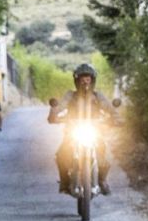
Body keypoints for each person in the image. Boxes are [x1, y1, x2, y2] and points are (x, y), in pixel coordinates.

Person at [47, 63, 117, 196]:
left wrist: (116, 118)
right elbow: (60, 106)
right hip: (73, 131)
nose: (85, 81)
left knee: (104, 155)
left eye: (88, 78)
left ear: (93, 80)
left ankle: (102, 180)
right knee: (61, 155)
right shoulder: (70, 95)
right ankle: (65, 181)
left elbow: (109, 108)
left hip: (94, 131)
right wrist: (53, 114)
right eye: (82, 78)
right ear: (77, 80)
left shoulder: (98, 96)